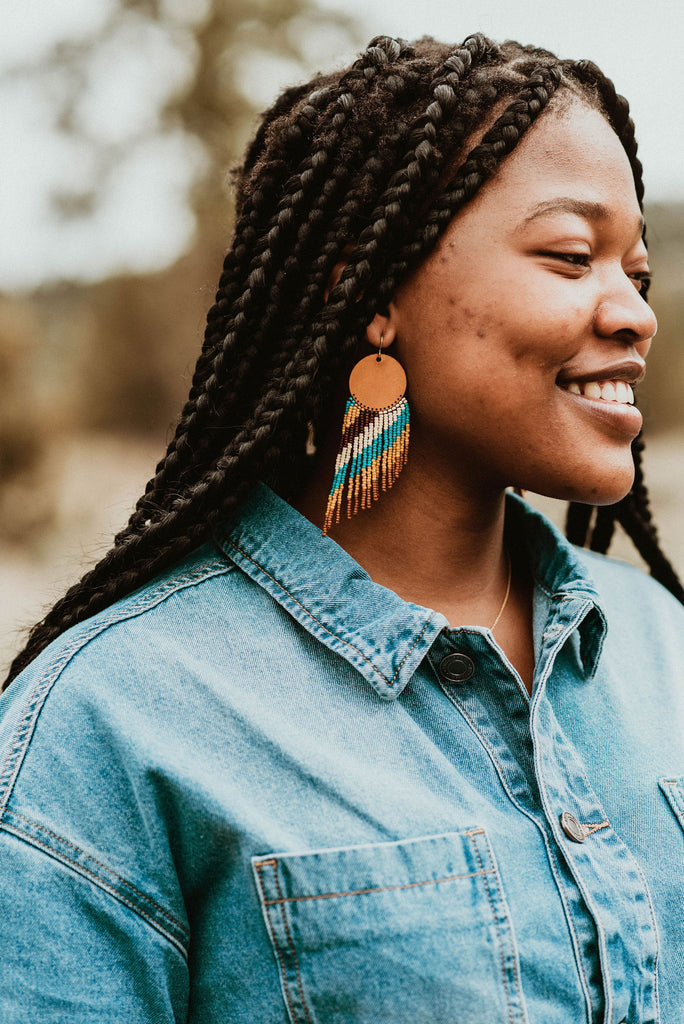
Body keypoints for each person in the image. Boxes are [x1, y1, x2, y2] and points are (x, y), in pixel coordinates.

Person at [1, 32, 683, 1023]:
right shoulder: (110, 725)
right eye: (573, 256)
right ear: (365, 290)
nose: (633, 313)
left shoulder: (664, 647)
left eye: (638, 271)